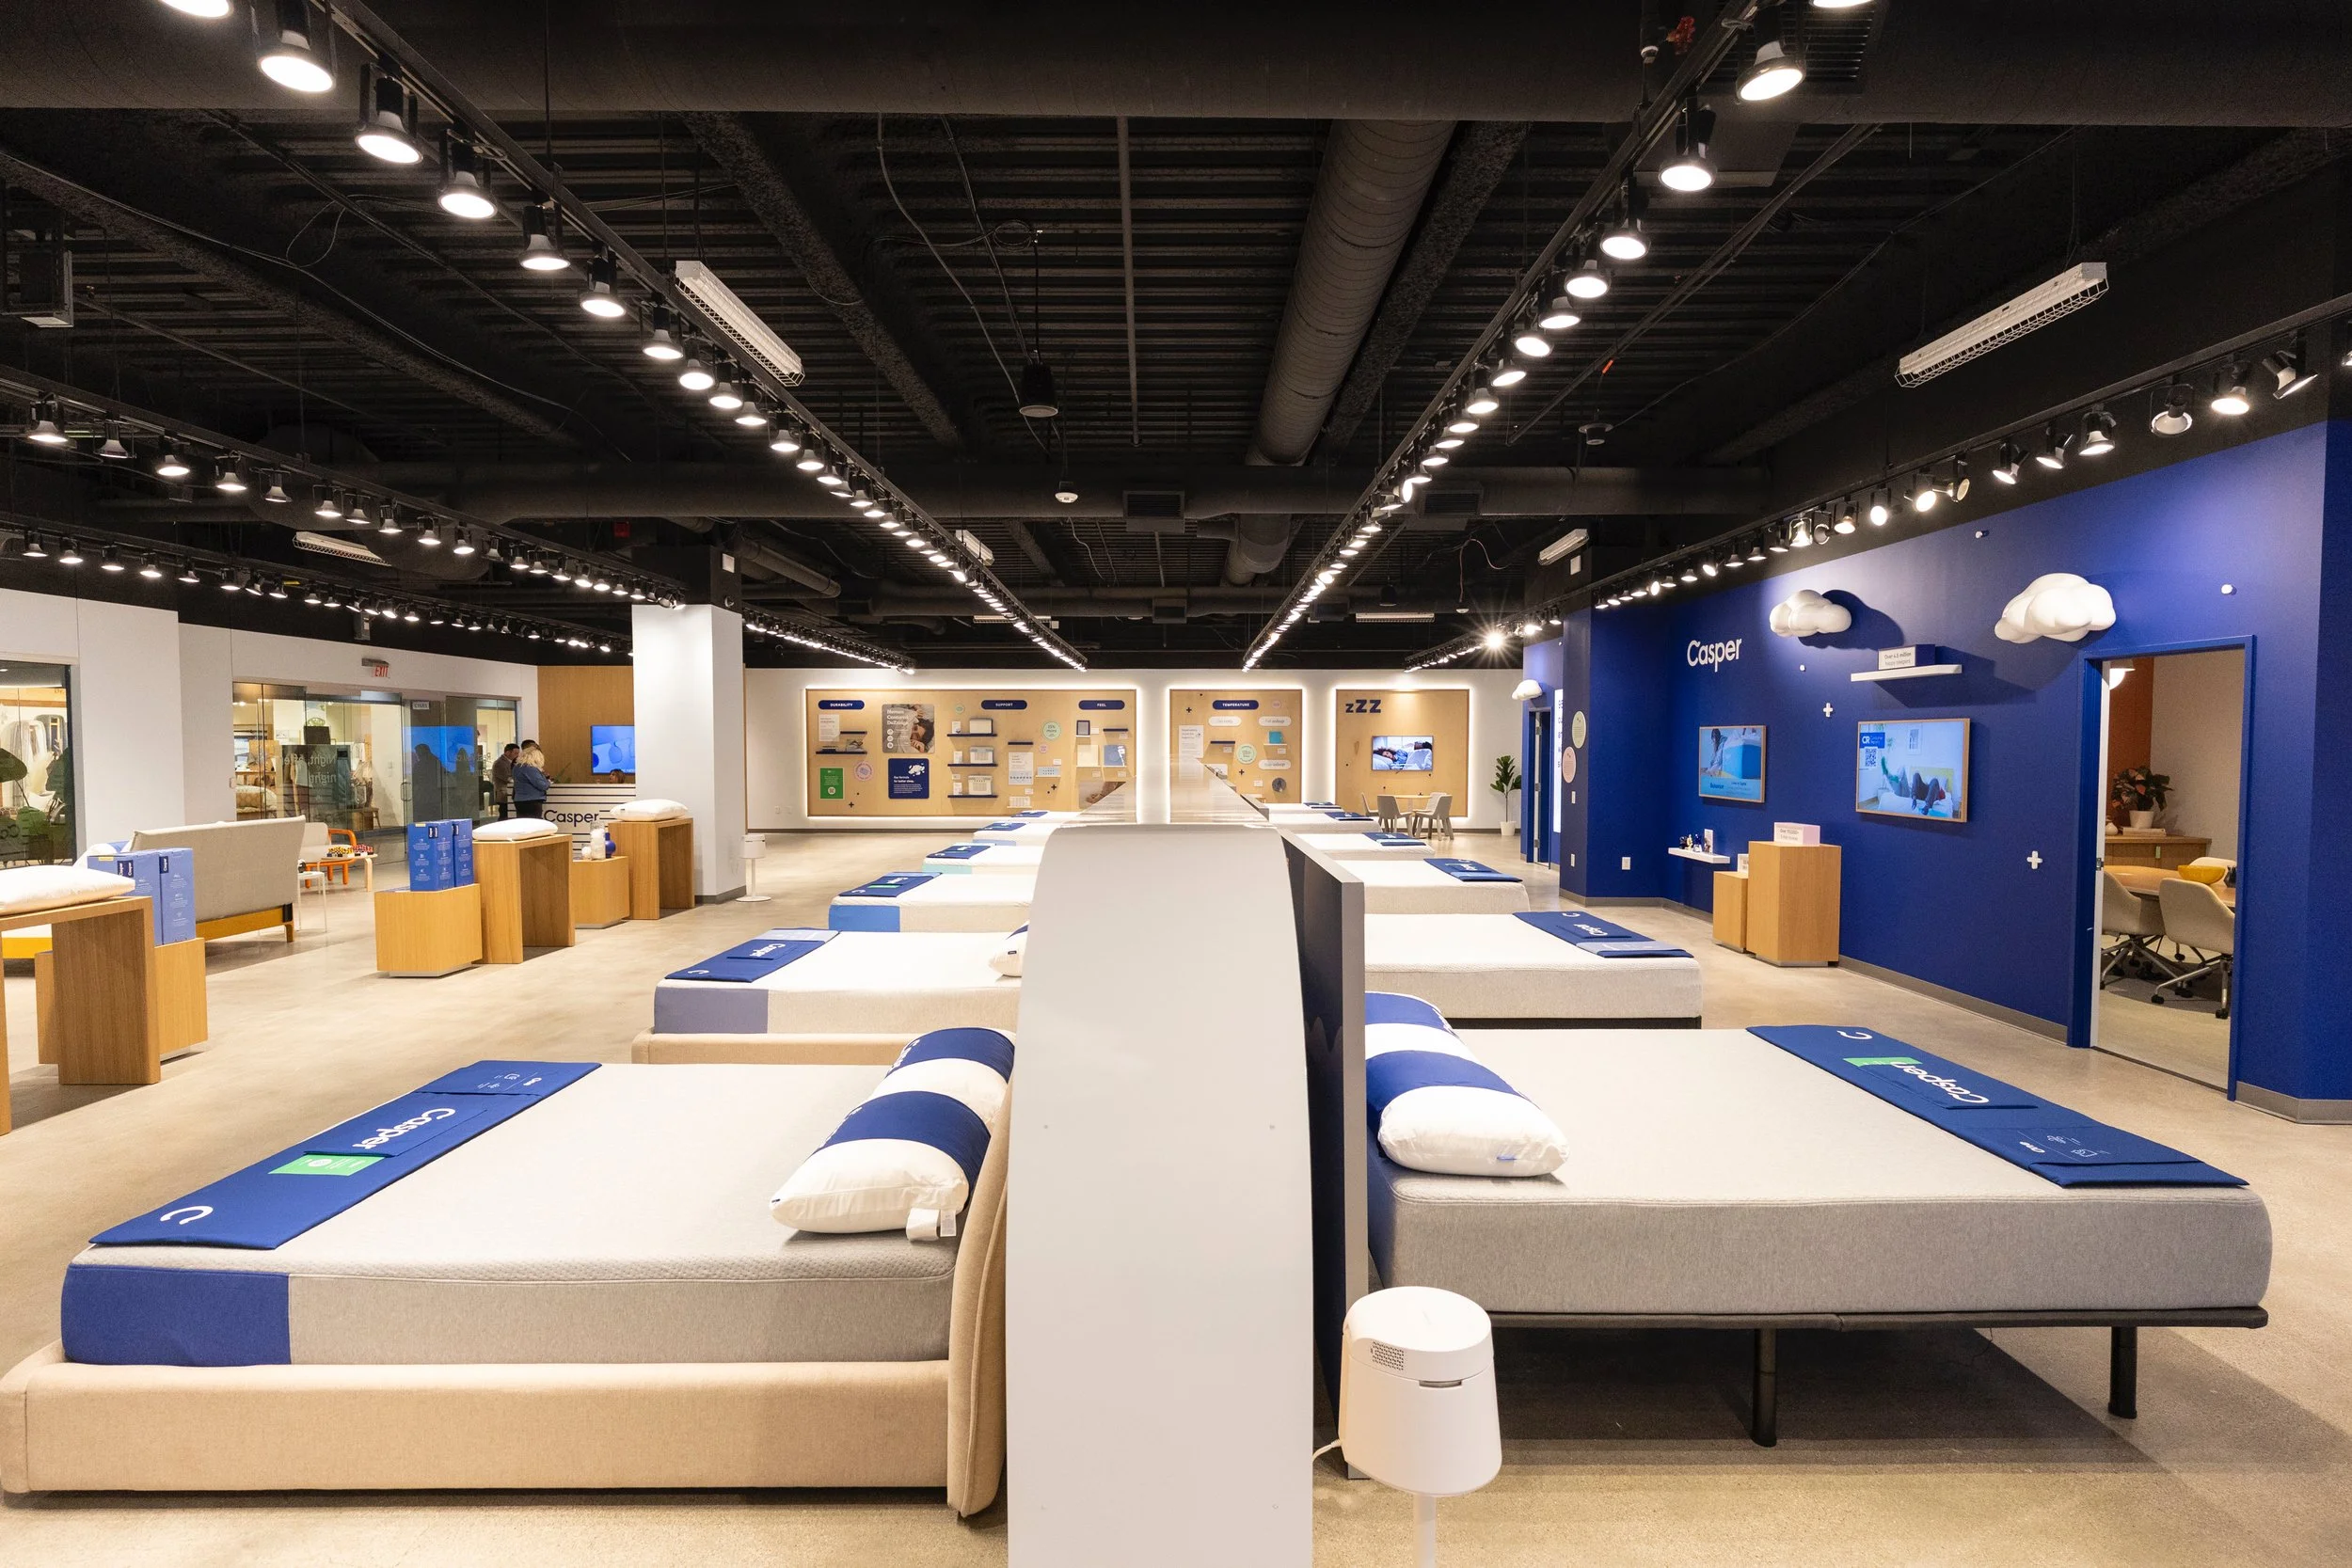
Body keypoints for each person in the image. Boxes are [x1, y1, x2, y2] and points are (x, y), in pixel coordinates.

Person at [512, 741, 550, 819]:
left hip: (519, 800)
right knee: (534, 824)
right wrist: (548, 782)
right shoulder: (530, 768)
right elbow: (542, 785)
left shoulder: (517, 767)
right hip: (532, 800)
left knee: (523, 823)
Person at [489, 742, 517, 819]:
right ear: (508, 752)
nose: (517, 755)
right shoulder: (500, 763)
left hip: (508, 793)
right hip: (504, 794)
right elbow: (508, 778)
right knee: (504, 815)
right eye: (515, 753)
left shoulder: (511, 763)